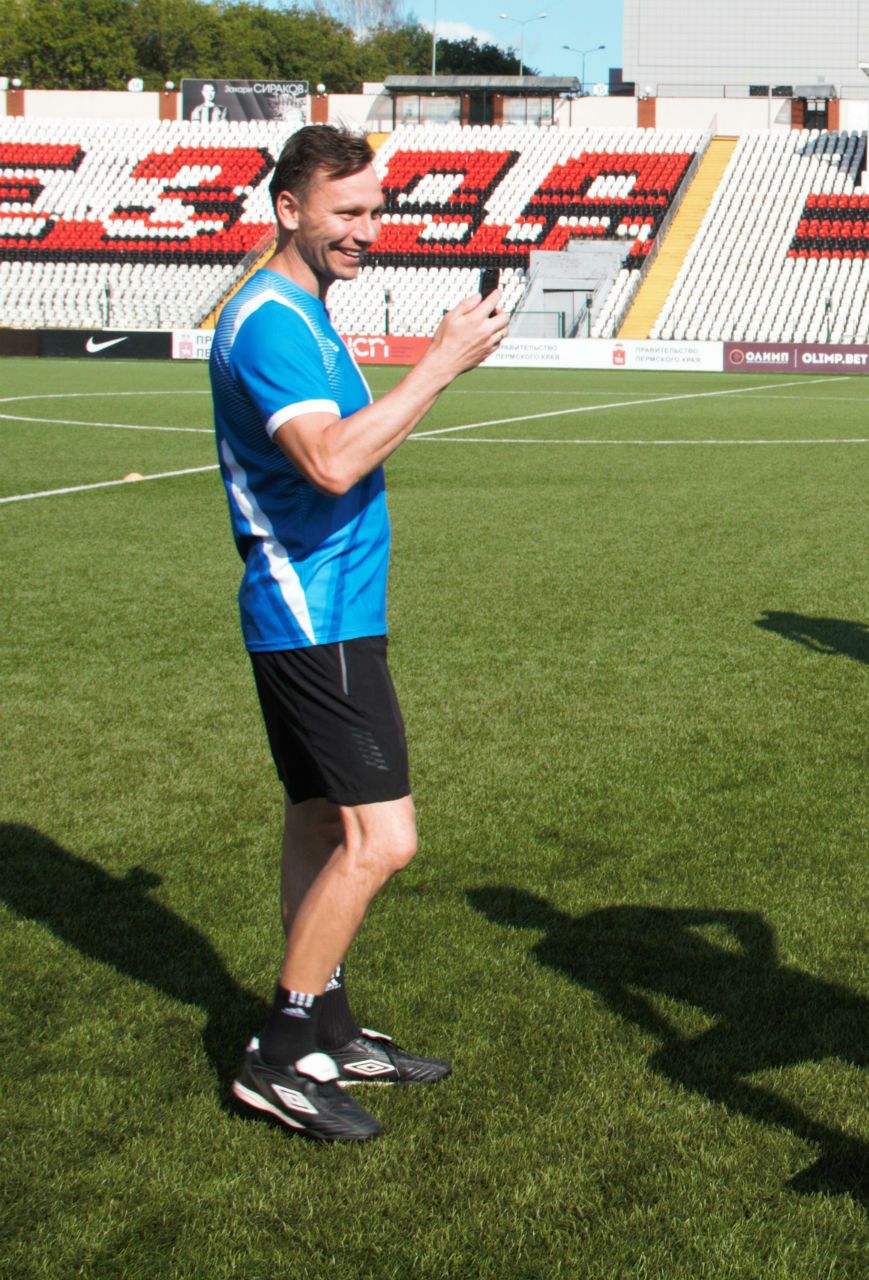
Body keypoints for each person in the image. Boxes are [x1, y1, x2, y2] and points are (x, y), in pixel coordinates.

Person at [211, 124, 507, 1140]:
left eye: (375, 211)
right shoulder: (270, 322)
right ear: (287, 208)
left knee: (318, 820)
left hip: (320, 610)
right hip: (314, 613)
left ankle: (329, 1021)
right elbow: (329, 461)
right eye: (347, 212)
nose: (367, 231)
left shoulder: (307, 308)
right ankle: (283, 1048)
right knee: (385, 837)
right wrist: (439, 367)